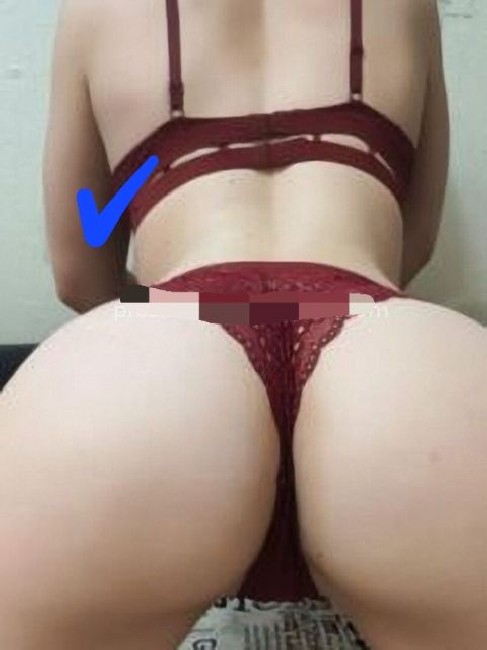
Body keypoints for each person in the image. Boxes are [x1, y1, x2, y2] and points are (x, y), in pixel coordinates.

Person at [1, 0, 486, 648]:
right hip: (381, 352)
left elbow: (80, 270)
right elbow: (415, 242)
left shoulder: (97, 9)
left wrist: (161, 308)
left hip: (163, 353)